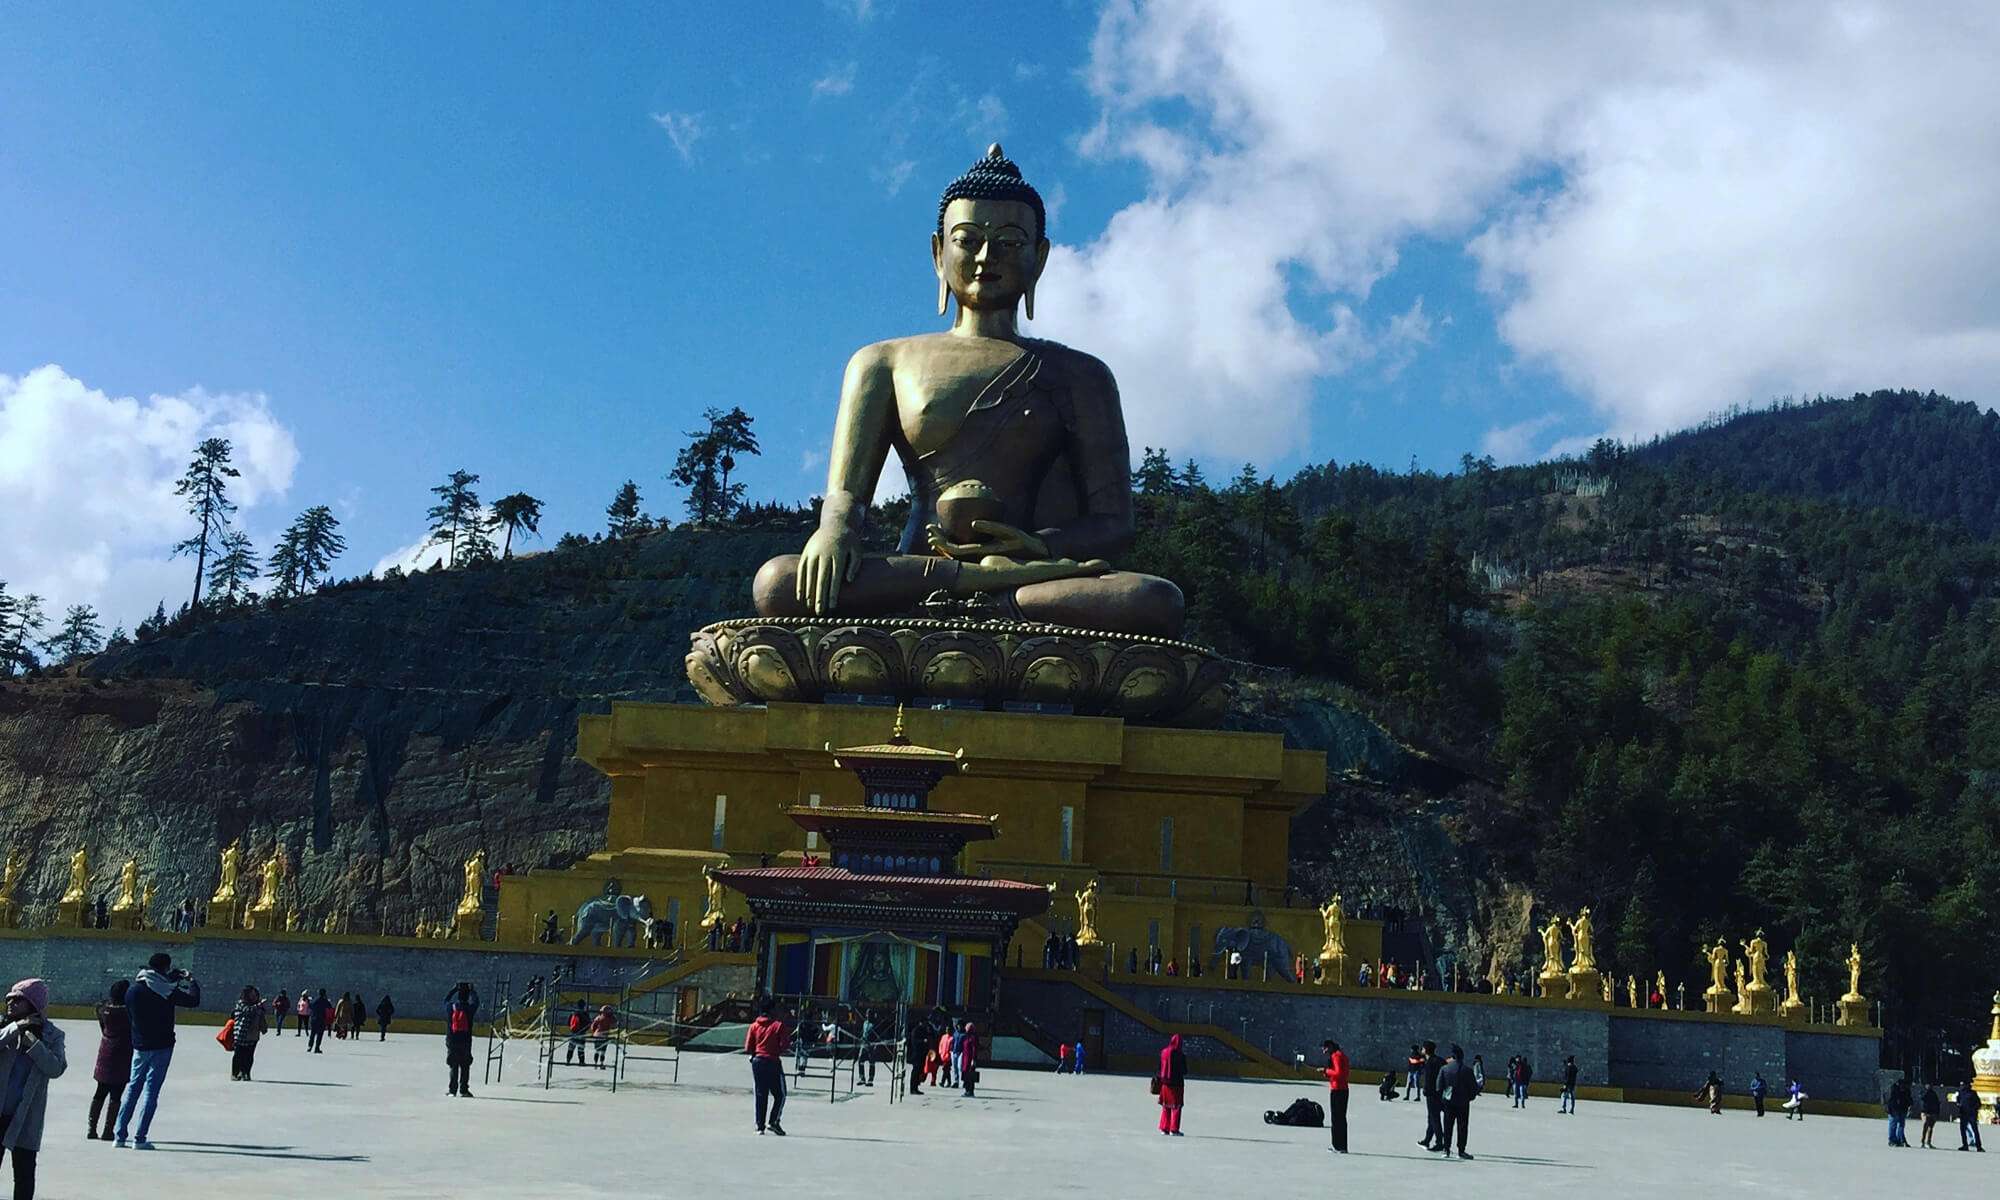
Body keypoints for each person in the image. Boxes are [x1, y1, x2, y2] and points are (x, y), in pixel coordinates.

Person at [114, 952, 199, 1148]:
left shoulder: (133, 990)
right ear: (165, 968)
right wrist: (191, 980)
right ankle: (140, 1138)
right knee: (151, 1093)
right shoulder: (167, 991)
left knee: (133, 1088)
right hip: (162, 1046)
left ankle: (119, 1136)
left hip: (140, 1046)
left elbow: (131, 1016)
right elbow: (193, 1001)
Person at [1, 978, 66, 1198]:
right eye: (8, 999)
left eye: (17, 1000)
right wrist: (15, 1028)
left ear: (33, 1004)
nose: (10, 1004)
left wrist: (35, 1046)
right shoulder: (4, 1027)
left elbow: (56, 1068)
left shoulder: (52, 1035)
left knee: (24, 1174)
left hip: (26, 1116)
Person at [87, 980, 132, 1140]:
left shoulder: (103, 1008)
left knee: (100, 1091)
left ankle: (91, 1128)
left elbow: (102, 1027)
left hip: (105, 1051)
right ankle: (108, 1130)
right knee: (116, 1094)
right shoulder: (128, 1012)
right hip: (123, 1052)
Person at [745, 998, 788, 1135]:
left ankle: (760, 1126)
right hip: (773, 1062)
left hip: (757, 1061)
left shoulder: (753, 1026)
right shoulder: (778, 1025)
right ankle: (774, 1121)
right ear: (772, 1010)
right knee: (780, 1094)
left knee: (760, 1093)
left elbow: (748, 1047)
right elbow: (784, 1046)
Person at [1435, 1044, 1476, 1159]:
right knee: (1462, 1126)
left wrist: (1443, 1099)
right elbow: (1474, 1089)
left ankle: (1446, 1149)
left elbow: (1438, 1087)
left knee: (1448, 1126)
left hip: (1448, 1102)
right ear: (1462, 1057)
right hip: (1463, 1103)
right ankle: (1461, 1151)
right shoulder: (1467, 1070)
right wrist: (1469, 1098)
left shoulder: (1444, 1069)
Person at [444, 982, 478, 1098]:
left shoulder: (451, 1008)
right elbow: (476, 1003)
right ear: (467, 996)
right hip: (465, 1041)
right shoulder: (469, 1009)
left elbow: (445, 1000)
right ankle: (464, 1090)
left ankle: (452, 1090)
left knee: (454, 1065)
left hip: (452, 1040)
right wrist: (472, 991)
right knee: (465, 1066)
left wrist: (453, 989)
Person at [228, 986, 267, 1081]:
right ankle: (235, 1073)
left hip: (253, 1034)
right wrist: (259, 1005)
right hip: (241, 1033)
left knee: (249, 1056)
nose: (254, 996)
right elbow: (247, 1010)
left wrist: (263, 1027)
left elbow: (261, 1018)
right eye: (252, 994)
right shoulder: (241, 1003)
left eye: (255, 995)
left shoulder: (257, 1006)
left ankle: (246, 1072)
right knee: (239, 1055)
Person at [1322, 1039, 1350, 1153]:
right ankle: (1342, 1146)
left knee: (1336, 1119)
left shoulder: (1336, 1056)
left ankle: (1337, 1145)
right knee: (1341, 1119)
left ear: (1330, 1047)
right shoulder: (1342, 1055)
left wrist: (1326, 1071)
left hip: (1337, 1090)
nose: (1323, 1050)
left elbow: (1338, 1073)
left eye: (1324, 1048)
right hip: (1343, 1089)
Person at [1155, 1033, 1186, 1136]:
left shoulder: (1163, 1052)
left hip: (1165, 1085)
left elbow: (1159, 1068)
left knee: (1165, 1106)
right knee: (1176, 1108)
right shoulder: (1180, 1055)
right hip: (1177, 1085)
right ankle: (1174, 1129)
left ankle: (1164, 1128)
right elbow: (1184, 1070)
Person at [1417, 1041, 1443, 1151]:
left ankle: (1439, 1142)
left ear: (1426, 1049)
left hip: (1432, 1094)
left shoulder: (1430, 1062)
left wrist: (1425, 1090)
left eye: (1423, 1048)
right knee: (1432, 1117)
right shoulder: (1440, 1061)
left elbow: (1429, 1079)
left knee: (1434, 1118)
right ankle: (1427, 1139)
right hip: (1440, 1093)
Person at [1955, 1081, 1984, 1151]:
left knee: (1975, 1130)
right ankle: (1965, 1145)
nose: (1962, 1086)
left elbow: (1978, 1103)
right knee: (1963, 1130)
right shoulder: (1961, 1093)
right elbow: (1958, 1101)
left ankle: (1978, 1146)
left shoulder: (1973, 1093)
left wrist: (1974, 1109)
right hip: (1963, 1114)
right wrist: (1958, 1104)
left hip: (1972, 1114)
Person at [1885, 1075, 1911, 1146]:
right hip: (1893, 1110)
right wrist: (1890, 1109)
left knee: (1901, 1125)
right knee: (1893, 1125)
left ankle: (1900, 1139)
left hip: (1902, 1110)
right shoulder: (1893, 1090)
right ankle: (1892, 1140)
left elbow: (1909, 1099)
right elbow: (1890, 1101)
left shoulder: (1906, 1090)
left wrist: (1909, 1106)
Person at [589, 1005, 616, 1069]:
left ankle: (595, 1064)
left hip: (597, 1035)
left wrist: (594, 1032)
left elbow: (593, 1027)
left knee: (597, 1050)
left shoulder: (598, 1017)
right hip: (604, 1036)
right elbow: (615, 1023)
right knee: (603, 1051)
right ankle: (601, 1064)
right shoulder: (610, 1018)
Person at [306, 988, 331, 1053]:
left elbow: (311, 1006)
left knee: (313, 1034)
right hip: (322, 1019)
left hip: (314, 1019)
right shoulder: (325, 1001)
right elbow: (330, 1007)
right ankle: (317, 1048)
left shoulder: (315, 1000)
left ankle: (310, 1046)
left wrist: (308, 1001)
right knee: (320, 1035)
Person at [565, 1001, 589, 1066]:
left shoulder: (573, 1013)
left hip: (573, 1033)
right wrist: (584, 1030)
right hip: (582, 1033)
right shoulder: (585, 1013)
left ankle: (568, 1061)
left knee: (571, 1048)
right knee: (581, 1049)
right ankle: (581, 1062)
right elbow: (589, 1023)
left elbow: (568, 1023)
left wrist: (572, 1029)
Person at [959, 1022, 979, 1097]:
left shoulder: (973, 1037)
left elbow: (974, 1049)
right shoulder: (966, 1037)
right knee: (965, 1074)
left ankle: (970, 1091)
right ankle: (966, 1090)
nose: (966, 1029)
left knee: (970, 1075)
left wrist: (973, 1060)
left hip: (970, 1059)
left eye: (967, 1028)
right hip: (965, 1059)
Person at [857, 1011, 878, 1086]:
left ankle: (870, 1080)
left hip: (871, 1045)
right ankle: (862, 1078)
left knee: (871, 1062)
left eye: (869, 1014)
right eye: (867, 1014)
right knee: (860, 1060)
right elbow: (864, 1032)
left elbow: (878, 1035)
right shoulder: (865, 1023)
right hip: (864, 1044)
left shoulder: (875, 1024)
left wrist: (875, 1045)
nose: (867, 1016)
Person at [1919, 1081, 1941, 1147]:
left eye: (1931, 1085)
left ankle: (1928, 1142)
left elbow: (1937, 1103)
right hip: (1925, 1112)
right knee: (1925, 1125)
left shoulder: (1934, 1094)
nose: (1930, 1086)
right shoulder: (1923, 1092)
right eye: (1928, 1085)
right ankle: (1922, 1141)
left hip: (1933, 1112)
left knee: (1930, 1127)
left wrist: (1937, 1112)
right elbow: (1922, 1098)